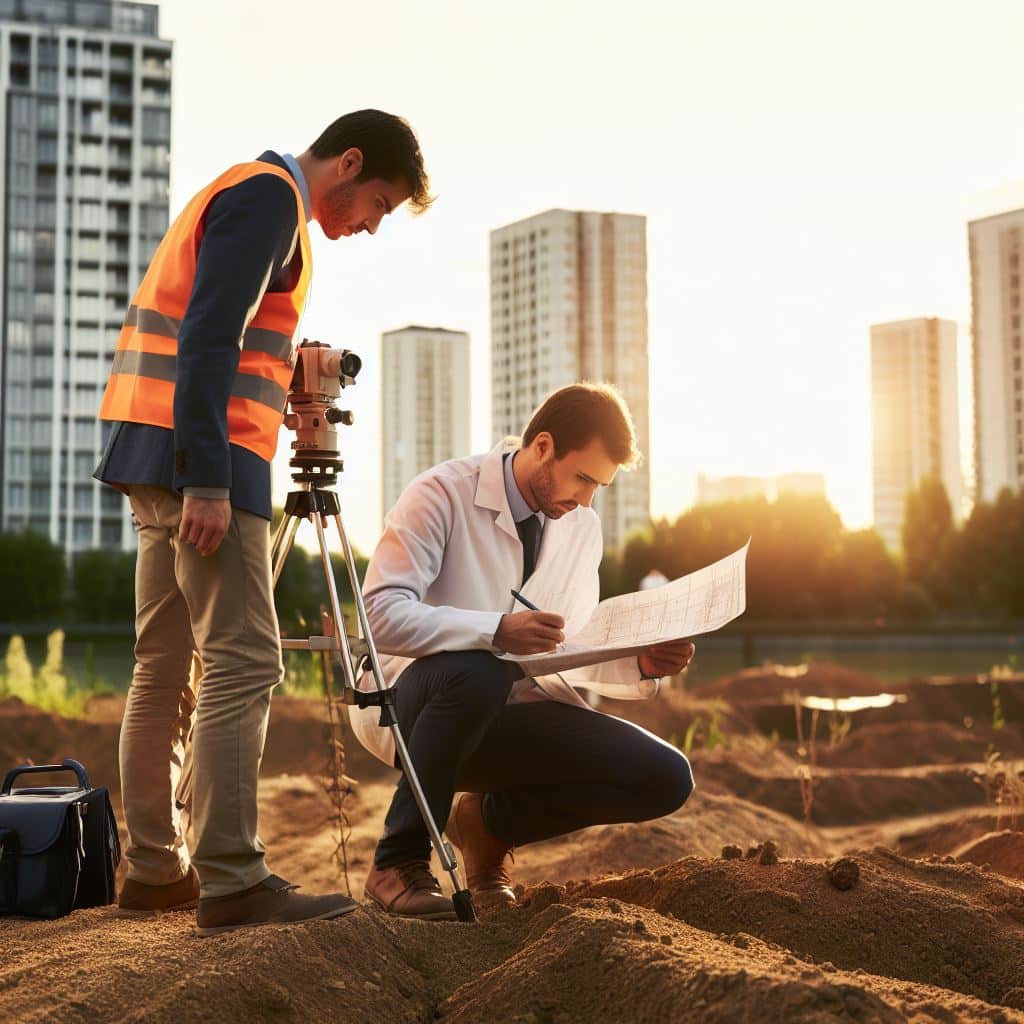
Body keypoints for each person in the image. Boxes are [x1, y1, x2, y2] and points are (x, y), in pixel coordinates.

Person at [94, 110, 431, 936]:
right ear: (348, 163)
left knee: (164, 666)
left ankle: (151, 869)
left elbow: (224, 339)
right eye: (377, 203)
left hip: (148, 452)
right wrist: (209, 475)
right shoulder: (272, 199)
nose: (368, 225)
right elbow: (208, 332)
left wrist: (273, 382)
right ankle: (235, 879)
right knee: (245, 660)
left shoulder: (243, 193)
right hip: (202, 470)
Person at [351, 383, 696, 920]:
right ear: (542, 446)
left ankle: (489, 826)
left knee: (666, 776)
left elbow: (566, 640)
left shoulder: (580, 524)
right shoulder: (441, 492)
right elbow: (378, 617)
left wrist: (639, 661)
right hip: (407, 703)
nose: (585, 499)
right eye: (582, 477)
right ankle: (397, 861)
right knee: (480, 672)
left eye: (598, 487)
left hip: (506, 710)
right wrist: (495, 630)